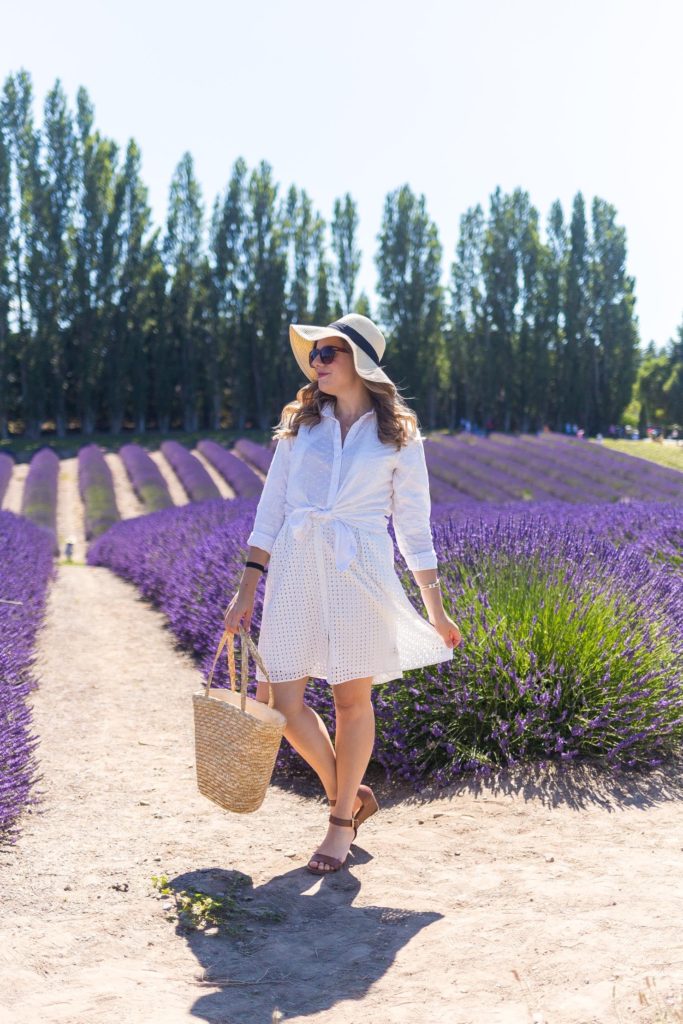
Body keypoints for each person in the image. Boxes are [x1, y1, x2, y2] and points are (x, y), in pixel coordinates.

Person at [223, 313, 462, 875]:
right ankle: (350, 798)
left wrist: (435, 608)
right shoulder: (299, 425)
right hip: (297, 567)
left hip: (360, 569)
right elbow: (271, 511)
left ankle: (336, 824)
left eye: (330, 352)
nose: (317, 362)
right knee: (281, 702)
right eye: (314, 353)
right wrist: (245, 592)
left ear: (361, 362)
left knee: (352, 700)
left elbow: (413, 526)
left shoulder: (399, 433)